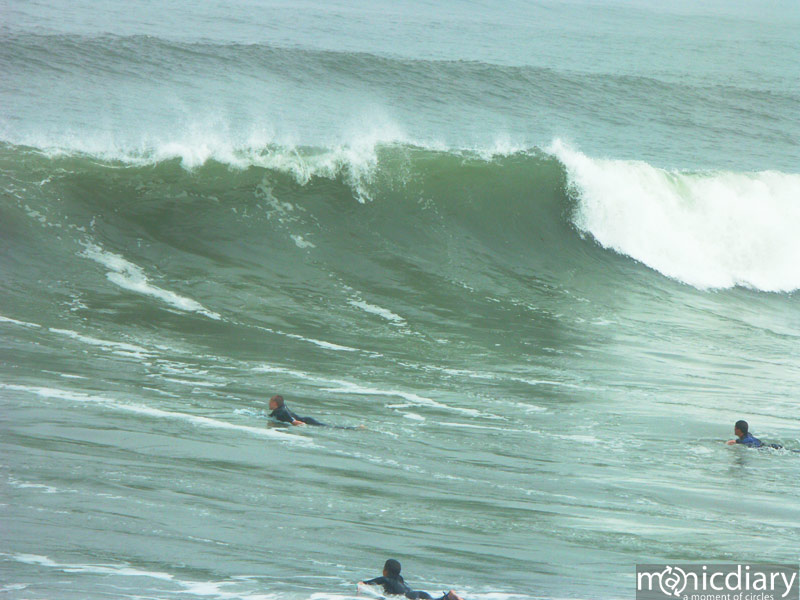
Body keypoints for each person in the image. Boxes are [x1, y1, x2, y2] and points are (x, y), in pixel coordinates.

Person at [358, 559, 463, 600]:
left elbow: (366, 583)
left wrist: (361, 583)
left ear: (386, 570)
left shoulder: (386, 579)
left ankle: (449, 596)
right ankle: (449, 596)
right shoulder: (401, 580)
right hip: (418, 593)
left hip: (410, 596)